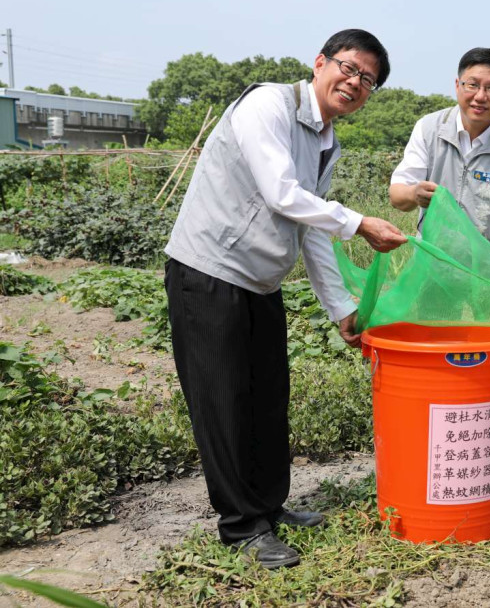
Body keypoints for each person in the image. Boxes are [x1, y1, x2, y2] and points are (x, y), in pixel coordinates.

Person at [164, 29, 407, 569]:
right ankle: (242, 526)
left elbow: (310, 229)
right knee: (223, 402)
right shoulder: (266, 105)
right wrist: (360, 222)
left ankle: (269, 507)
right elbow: (281, 192)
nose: (355, 83)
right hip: (208, 270)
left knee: (268, 398)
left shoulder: (326, 143)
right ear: (320, 63)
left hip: (260, 281)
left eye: (368, 80)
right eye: (349, 68)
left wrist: (341, 307)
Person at [389, 47, 490, 487]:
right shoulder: (429, 129)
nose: (480, 95)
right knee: (431, 354)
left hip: (486, 268)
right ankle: (429, 445)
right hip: (432, 265)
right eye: (472, 84)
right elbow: (397, 194)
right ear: (457, 86)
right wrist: (415, 194)